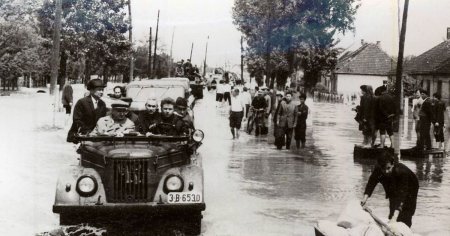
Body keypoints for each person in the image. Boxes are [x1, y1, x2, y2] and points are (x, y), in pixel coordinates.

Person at [361, 151, 419, 228]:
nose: (386, 171)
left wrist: (395, 217)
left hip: (410, 189)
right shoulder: (379, 168)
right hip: (393, 186)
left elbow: (402, 195)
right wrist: (364, 199)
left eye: (388, 168)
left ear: (393, 164)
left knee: (405, 216)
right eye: (383, 169)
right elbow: (371, 182)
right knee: (392, 212)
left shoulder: (402, 172)